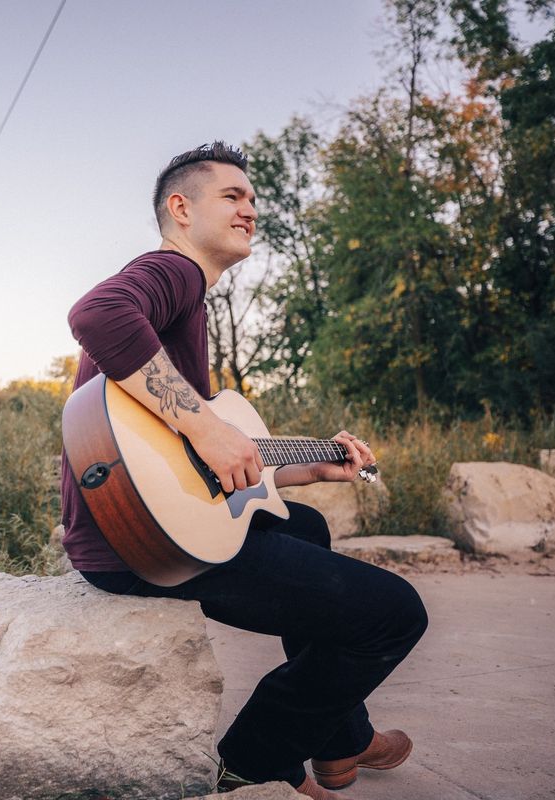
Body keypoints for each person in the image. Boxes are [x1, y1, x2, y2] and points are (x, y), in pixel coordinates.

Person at [61, 142, 428, 799]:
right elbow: (95, 314)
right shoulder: (172, 273)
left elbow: (195, 470)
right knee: (395, 615)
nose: (250, 210)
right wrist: (206, 424)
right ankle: (248, 772)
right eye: (232, 197)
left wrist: (302, 470)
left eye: (253, 200)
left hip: (136, 534)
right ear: (181, 209)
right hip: (139, 544)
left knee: (306, 525)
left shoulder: (189, 311)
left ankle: (341, 742)